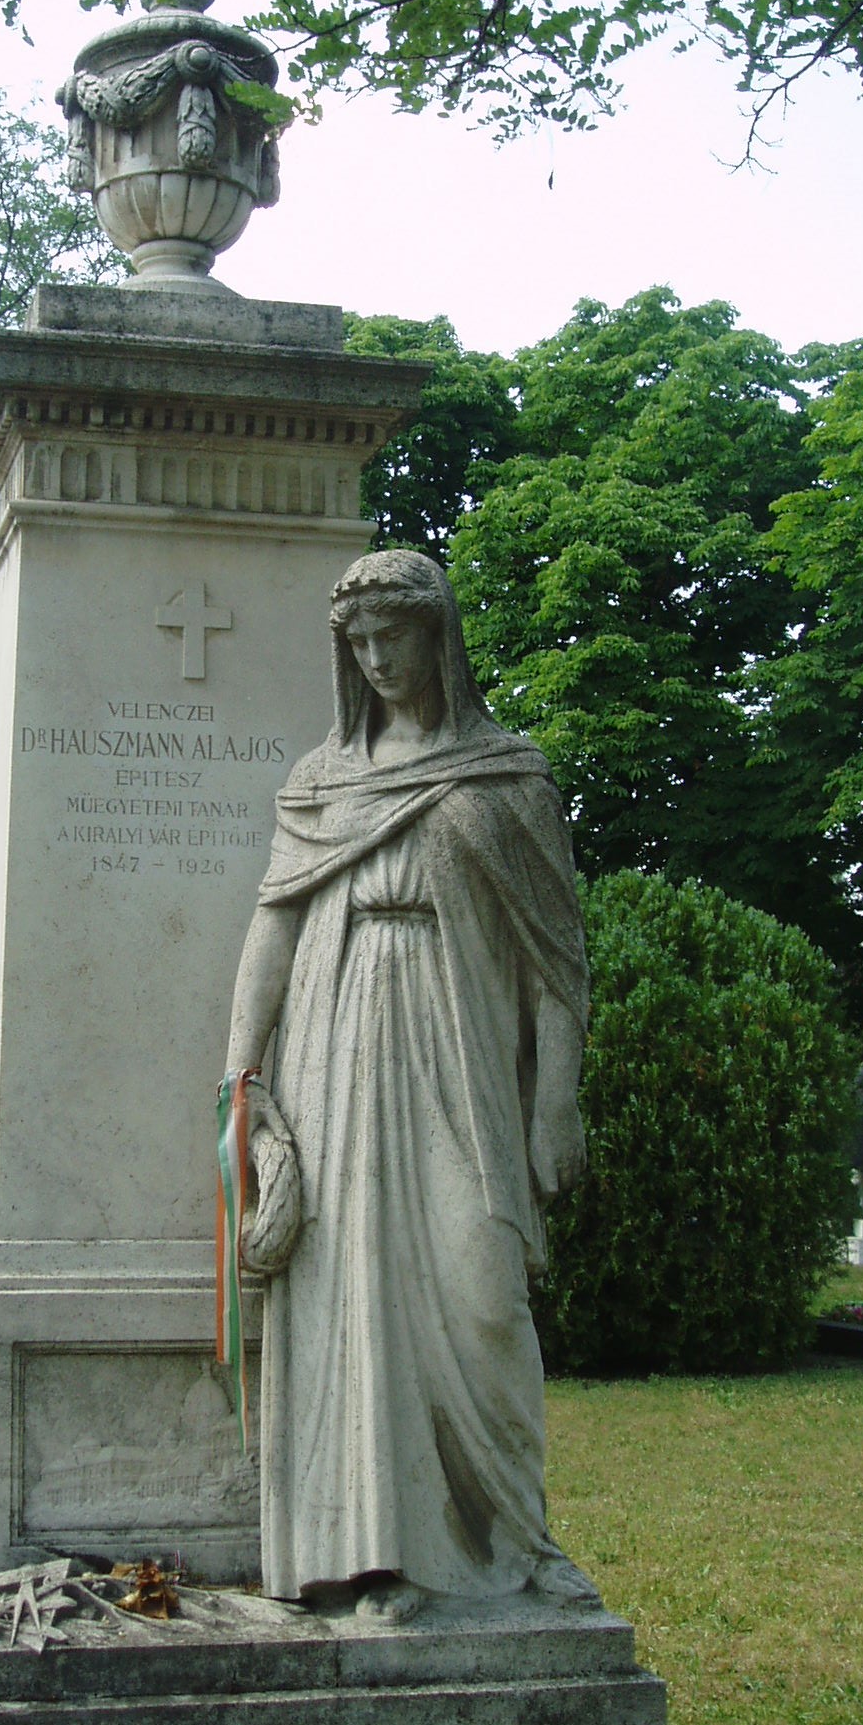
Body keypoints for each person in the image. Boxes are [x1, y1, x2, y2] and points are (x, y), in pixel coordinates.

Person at [224, 548, 597, 1621]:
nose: (378, 659)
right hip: (338, 1044)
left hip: (461, 1047)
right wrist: (240, 1074)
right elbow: (274, 925)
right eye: (360, 644)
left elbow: (557, 962)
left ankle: (520, 1536)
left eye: (395, 636)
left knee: (487, 1294)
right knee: (355, 1298)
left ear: (440, 636)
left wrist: (555, 1100)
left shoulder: (506, 775)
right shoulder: (322, 780)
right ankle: (378, 1555)